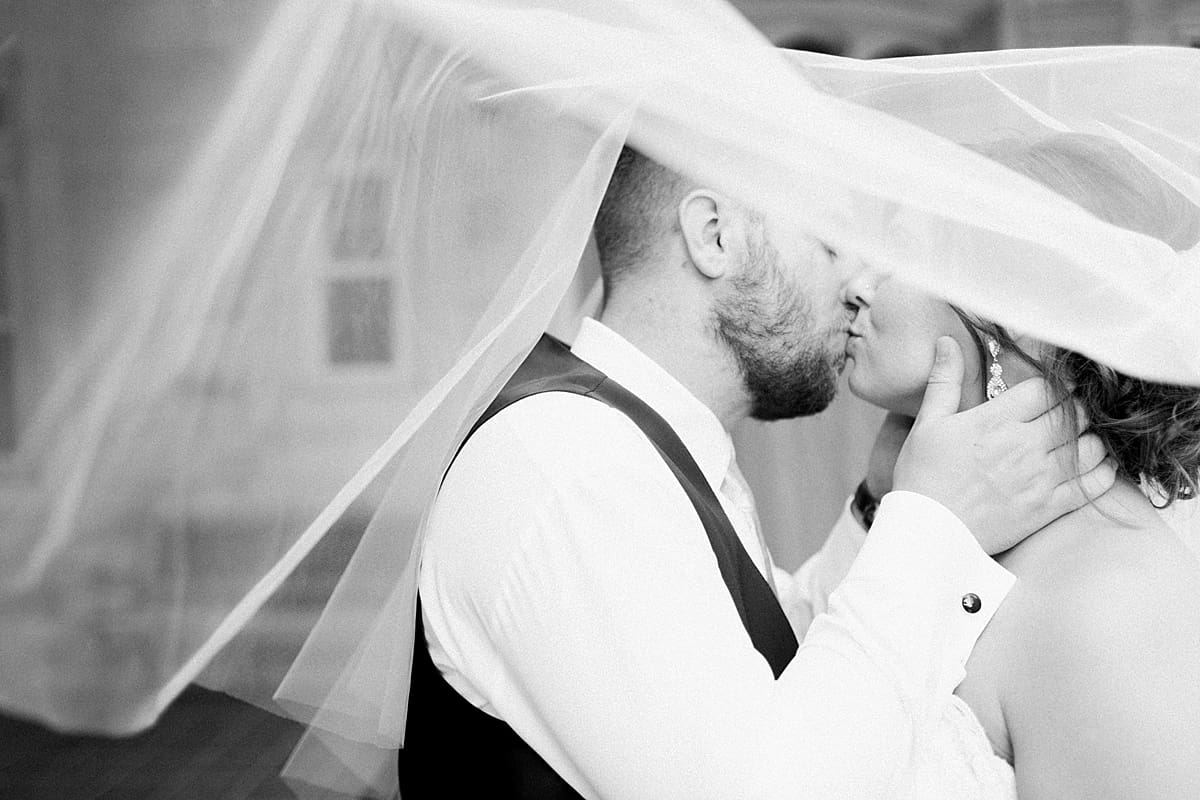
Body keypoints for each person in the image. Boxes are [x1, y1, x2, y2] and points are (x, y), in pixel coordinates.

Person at [399, 146, 1115, 799]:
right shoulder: (573, 464)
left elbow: (758, 674)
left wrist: (880, 506)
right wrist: (935, 526)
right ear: (715, 236)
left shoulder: (635, 448)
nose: (856, 286)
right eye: (832, 243)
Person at [834, 132, 1200, 798]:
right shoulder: (944, 532)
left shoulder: (1108, 602)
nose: (853, 286)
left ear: (1017, 303)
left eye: (893, 252)